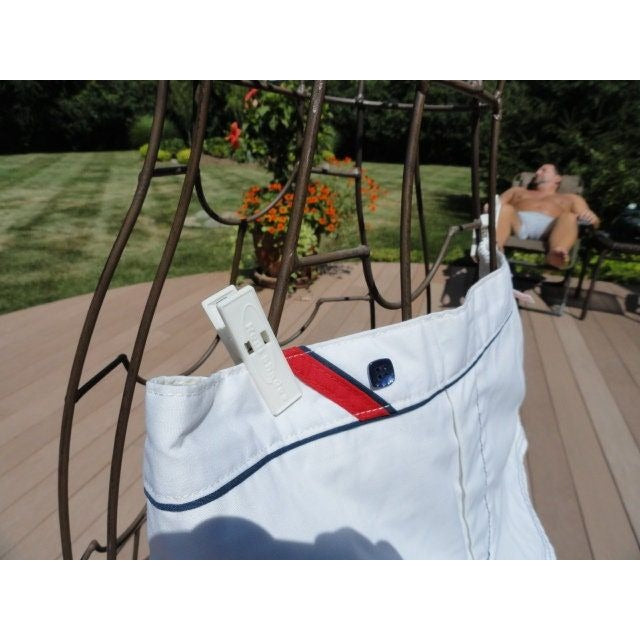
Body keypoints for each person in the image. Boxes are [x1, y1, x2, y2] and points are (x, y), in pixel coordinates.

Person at [496, 163, 600, 268]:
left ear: (557, 178)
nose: (537, 172)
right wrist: (490, 206)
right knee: (504, 208)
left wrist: (592, 218)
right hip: (518, 223)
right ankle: (495, 248)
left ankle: (557, 252)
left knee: (570, 216)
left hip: (551, 229)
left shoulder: (572, 198)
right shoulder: (517, 191)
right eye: (538, 170)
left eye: (543, 170)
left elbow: (592, 221)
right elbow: (495, 205)